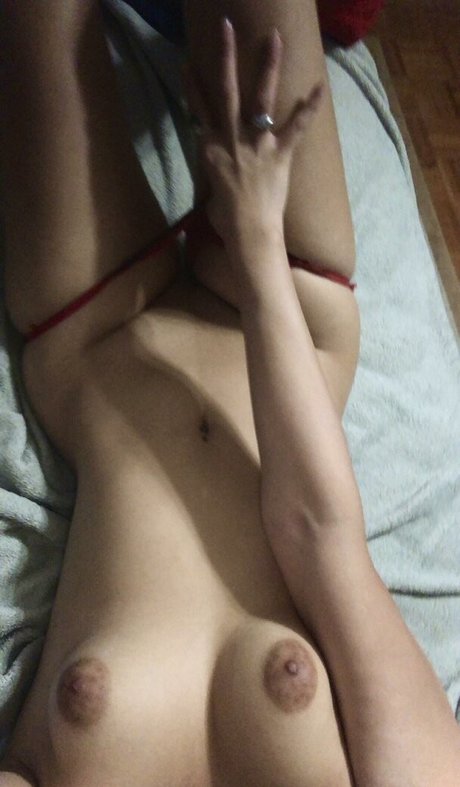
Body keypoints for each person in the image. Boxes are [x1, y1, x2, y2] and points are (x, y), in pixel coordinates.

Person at [0, 1, 459, 785]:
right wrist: (257, 244)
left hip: (97, 343)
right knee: (270, 39)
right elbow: (321, 537)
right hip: (287, 317)